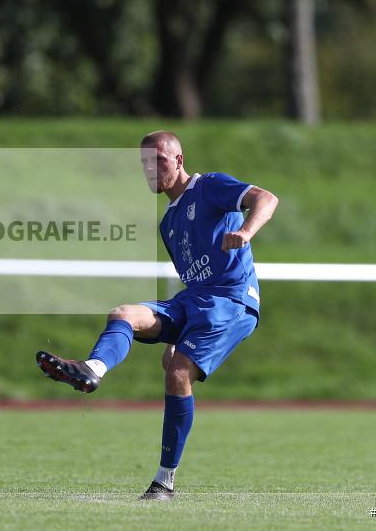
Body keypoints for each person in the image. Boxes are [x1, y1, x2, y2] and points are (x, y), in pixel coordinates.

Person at [36, 131, 279, 501]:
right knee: (123, 314)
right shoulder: (168, 224)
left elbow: (266, 197)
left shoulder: (209, 186)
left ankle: (164, 482)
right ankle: (93, 370)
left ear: (179, 160)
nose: (151, 170)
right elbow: (194, 280)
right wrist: (174, 336)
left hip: (231, 300)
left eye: (159, 161)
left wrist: (246, 231)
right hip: (195, 300)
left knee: (179, 371)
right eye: (144, 164)